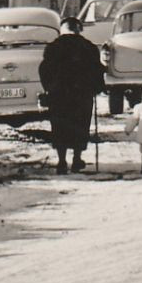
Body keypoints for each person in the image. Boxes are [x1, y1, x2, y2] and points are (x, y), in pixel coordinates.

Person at [39, 15, 105, 174]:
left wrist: (48, 88)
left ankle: (61, 161)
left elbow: (44, 70)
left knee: (60, 126)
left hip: (58, 94)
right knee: (80, 125)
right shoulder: (89, 47)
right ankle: (76, 159)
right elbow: (97, 70)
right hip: (82, 93)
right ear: (78, 29)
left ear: (62, 29)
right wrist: (97, 88)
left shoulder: (53, 47)